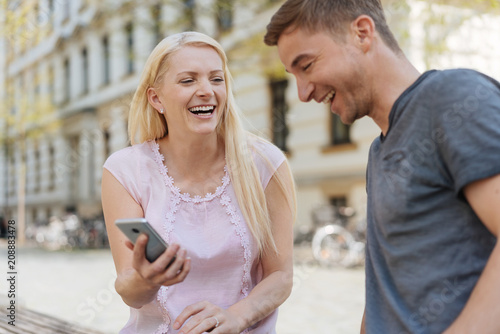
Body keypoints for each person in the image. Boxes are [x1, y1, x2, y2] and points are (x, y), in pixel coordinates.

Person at [264, 1, 500, 333]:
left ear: (362, 33)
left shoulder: (453, 98)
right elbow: (385, 293)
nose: (303, 93)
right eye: (294, 76)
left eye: (307, 65)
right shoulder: (380, 149)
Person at [101, 31, 296, 334]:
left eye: (216, 79)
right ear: (156, 98)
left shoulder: (266, 162)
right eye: (188, 80)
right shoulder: (126, 170)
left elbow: (280, 276)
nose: (206, 90)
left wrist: (236, 318)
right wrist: (147, 279)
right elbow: (128, 289)